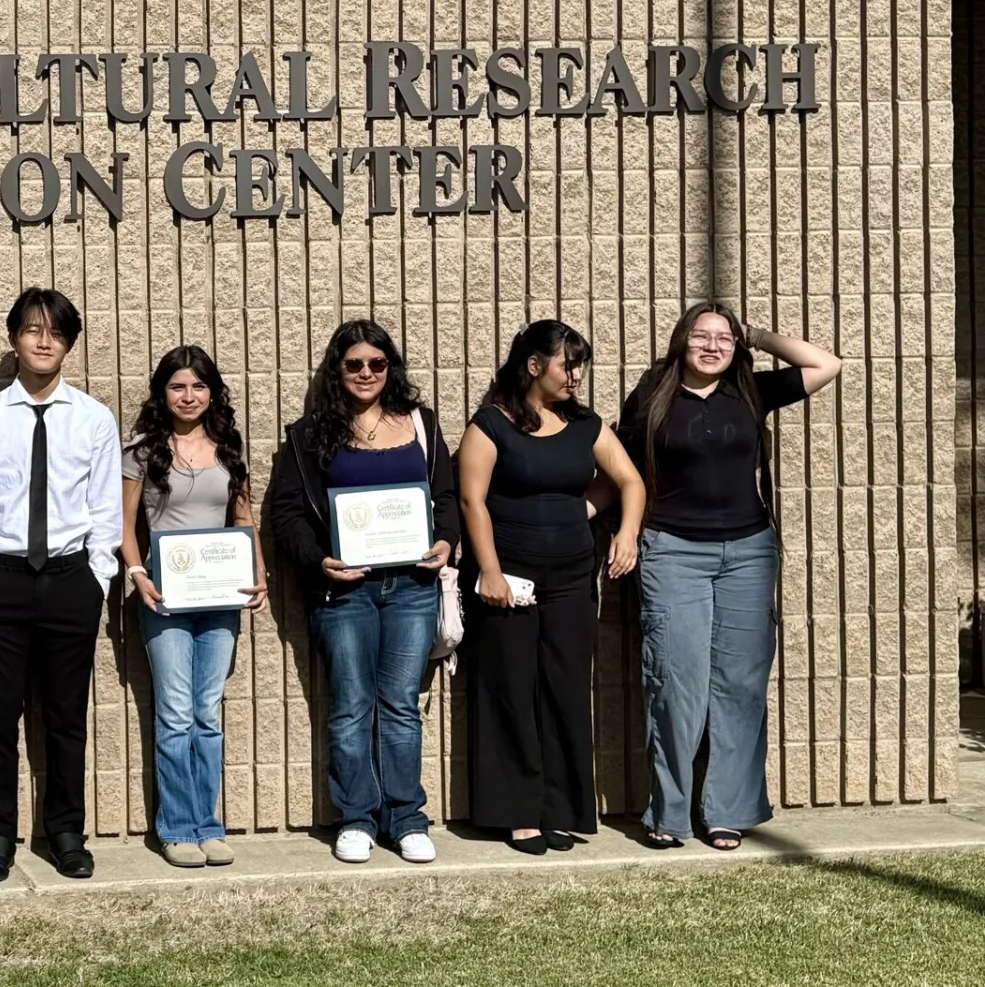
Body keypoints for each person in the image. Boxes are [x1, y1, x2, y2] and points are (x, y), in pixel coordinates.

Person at [616, 303, 840, 851]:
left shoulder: (751, 391)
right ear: (681, 341)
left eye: (724, 338)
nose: (712, 346)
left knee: (740, 687)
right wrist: (618, 529)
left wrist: (756, 335)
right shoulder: (651, 393)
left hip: (748, 552)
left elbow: (827, 364)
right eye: (701, 336)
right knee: (675, 685)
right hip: (672, 551)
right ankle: (669, 815)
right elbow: (623, 472)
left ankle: (726, 812)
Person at [267, 320, 460, 866]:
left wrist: (445, 541)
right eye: (354, 364)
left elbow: (444, 497)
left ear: (389, 368)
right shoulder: (308, 435)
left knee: (400, 706)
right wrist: (318, 560)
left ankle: (406, 818)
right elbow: (286, 515)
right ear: (337, 370)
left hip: (413, 588)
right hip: (344, 592)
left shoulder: (420, 424)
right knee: (351, 707)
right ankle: (356, 818)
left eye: (377, 364)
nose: (366, 373)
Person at [0, 287, 122, 883]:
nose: (43, 340)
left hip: (71, 578)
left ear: (68, 344)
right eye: (31, 329)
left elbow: (105, 509)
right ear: (14, 340)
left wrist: (98, 576)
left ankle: (65, 831)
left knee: (65, 714)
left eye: (54, 332)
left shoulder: (94, 418)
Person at [456, 319, 645, 855]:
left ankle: (558, 810)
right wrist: (488, 572)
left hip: (571, 579)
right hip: (508, 578)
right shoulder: (490, 424)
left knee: (564, 690)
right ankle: (518, 814)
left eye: (580, 364)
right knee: (513, 690)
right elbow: (473, 501)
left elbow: (627, 481)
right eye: (568, 364)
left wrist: (622, 531)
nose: (576, 375)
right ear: (534, 365)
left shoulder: (586, 425)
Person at [118, 346, 267, 869]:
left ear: (212, 392)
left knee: (207, 715)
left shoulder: (228, 445)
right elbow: (124, 526)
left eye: (199, 386)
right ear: (163, 392)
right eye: (178, 386)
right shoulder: (141, 452)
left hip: (221, 596)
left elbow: (244, 515)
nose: (189, 396)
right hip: (166, 596)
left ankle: (209, 825)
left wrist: (258, 574)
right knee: (176, 713)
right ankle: (177, 828)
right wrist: (138, 575)